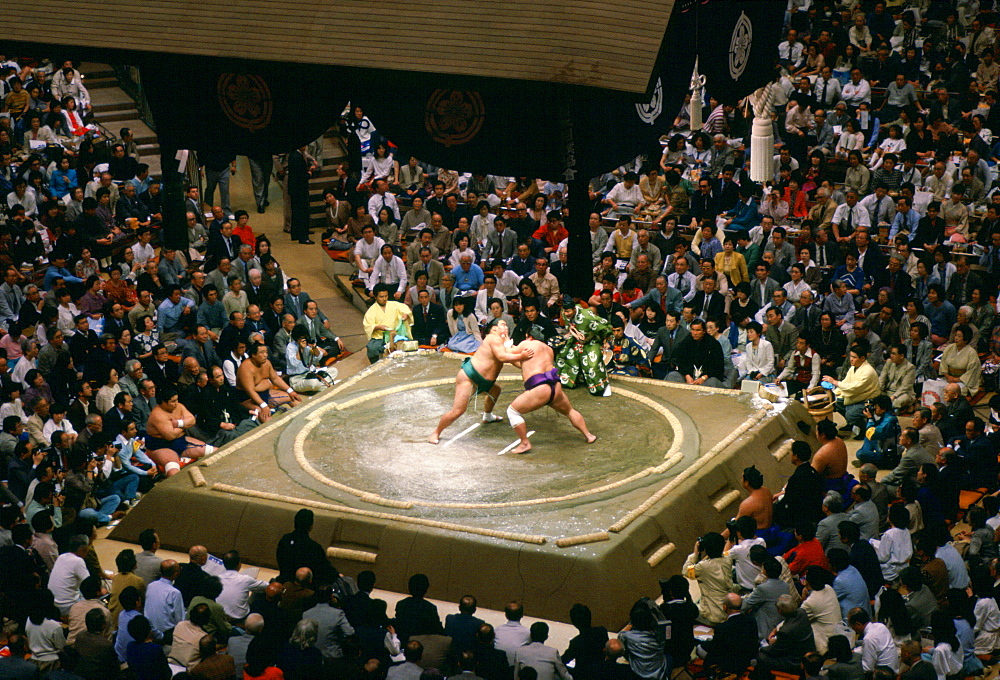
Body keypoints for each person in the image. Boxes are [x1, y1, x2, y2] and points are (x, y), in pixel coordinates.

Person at [429, 318, 533, 444]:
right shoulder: (493, 338)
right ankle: (436, 432)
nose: (506, 327)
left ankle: (487, 416)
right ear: (494, 329)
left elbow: (514, 360)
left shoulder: (503, 344)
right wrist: (522, 356)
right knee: (458, 410)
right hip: (470, 377)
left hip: (485, 381)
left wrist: (530, 364)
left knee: (496, 390)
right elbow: (502, 357)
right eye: (503, 325)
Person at [507, 333, 597, 454]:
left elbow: (508, 354)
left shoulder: (526, 344)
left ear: (529, 337)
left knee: (512, 411)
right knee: (569, 410)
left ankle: (524, 443)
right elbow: (523, 364)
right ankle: (589, 435)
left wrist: (506, 342)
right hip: (555, 385)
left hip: (539, 388)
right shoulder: (548, 350)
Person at [144, 388, 214, 476]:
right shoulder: (157, 415)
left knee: (214, 451)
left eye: (177, 400)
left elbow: (192, 420)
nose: (176, 403)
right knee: (173, 471)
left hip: (181, 442)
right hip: (160, 447)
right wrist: (184, 426)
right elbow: (171, 435)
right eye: (173, 401)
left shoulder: (179, 406)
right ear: (163, 403)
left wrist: (178, 423)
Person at [237, 342, 302, 422]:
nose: (265, 355)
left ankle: (303, 419)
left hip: (265, 394)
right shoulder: (246, 368)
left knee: (293, 398)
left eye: (266, 352)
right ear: (253, 355)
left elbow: (275, 378)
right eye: (262, 353)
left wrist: (290, 391)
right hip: (248, 399)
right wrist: (263, 405)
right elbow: (250, 391)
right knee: (267, 418)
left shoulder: (266, 363)